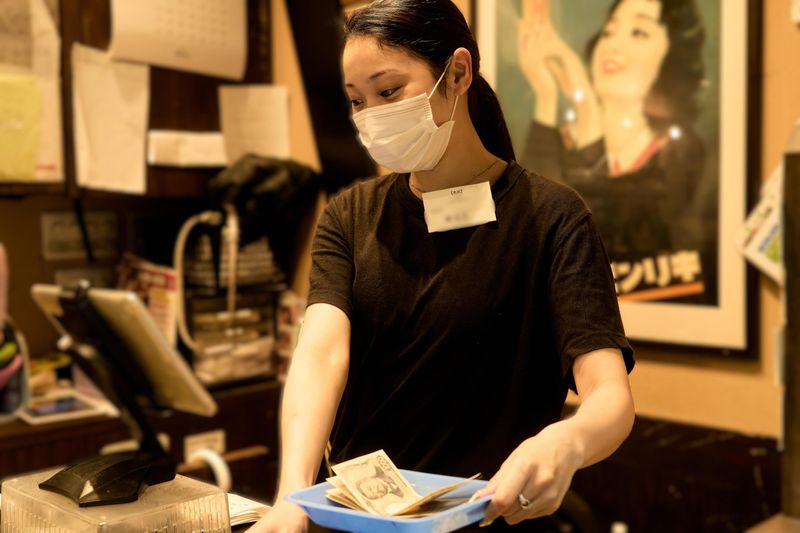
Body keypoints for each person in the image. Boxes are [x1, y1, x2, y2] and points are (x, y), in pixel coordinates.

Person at [248, 0, 635, 531]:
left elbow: (610, 397)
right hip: (361, 520)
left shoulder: (551, 217)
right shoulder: (350, 216)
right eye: (357, 101)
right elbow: (320, 352)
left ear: (456, 73)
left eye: (388, 92)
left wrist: (565, 441)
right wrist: (293, 494)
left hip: (486, 519)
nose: (371, 116)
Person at [516, 0, 711, 302]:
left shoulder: (680, 152)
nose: (612, 45)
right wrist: (546, 94)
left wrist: (587, 107)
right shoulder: (559, 140)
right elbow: (529, 235)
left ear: (673, 54)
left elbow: (605, 239)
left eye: (638, 32)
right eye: (608, 32)